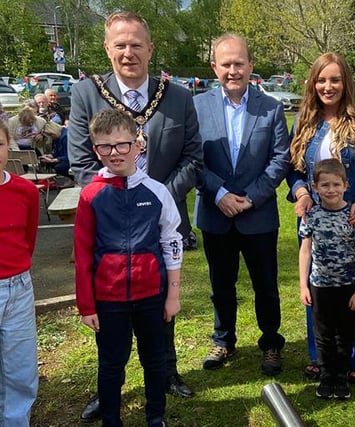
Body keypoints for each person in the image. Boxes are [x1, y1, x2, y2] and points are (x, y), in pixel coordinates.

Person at [68, 10, 201, 420]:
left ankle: (166, 374)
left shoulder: (177, 96)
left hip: (158, 219)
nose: (129, 53)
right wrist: (118, 196)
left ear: (150, 48)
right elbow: (79, 160)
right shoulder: (86, 94)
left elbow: (193, 158)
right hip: (107, 225)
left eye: (136, 44)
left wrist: (155, 197)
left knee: (160, 304)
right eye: (120, 44)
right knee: (111, 317)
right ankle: (110, 384)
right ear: (108, 49)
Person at [75, 108, 182, 427]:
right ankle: (111, 419)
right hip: (108, 301)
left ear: (138, 145)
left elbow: (171, 243)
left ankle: (155, 417)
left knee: (154, 360)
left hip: (151, 295)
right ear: (96, 150)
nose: (115, 153)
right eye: (105, 147)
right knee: (111, 363)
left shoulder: (158, 193)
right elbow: (82, 254)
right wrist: (86, 305)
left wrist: (172, 295)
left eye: (122, 144)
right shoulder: (90, 195)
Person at [193, 33, 289, 376]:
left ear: (250, 66)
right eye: (226, 64)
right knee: (221, 284)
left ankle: (271, 342)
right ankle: (223, 339)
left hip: (258, 214)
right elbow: (192, 158)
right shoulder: (198, 106)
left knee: (266, 284)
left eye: (239, 63)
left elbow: (280, 159)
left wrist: (250, 197)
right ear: (214, 67)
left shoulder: (271, 108)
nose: (233, 70)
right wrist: (219, 194)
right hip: (214, 212)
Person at [288, 52, 355, 383]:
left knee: (354, 286)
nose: (327, 86)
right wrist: (302, 193)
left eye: (334, 79)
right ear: (312, 83)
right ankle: (322, 354)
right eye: (321, 80)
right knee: (317, 288)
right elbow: (294, 171)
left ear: (345, 82)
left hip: (354, 215)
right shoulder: (304, 122)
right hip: (315, 217)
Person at [299, 158, 355, 400]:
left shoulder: (354, 216)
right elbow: (305, 251)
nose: (331, 190)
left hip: (347, 286)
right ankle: (327, 375)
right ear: (315, 187)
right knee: (324, 333)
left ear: (346, 185)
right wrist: (303, 285)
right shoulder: (312, 216)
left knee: (344, 333)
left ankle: (341, 376)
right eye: (325, 185)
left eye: (336, 184)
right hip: (320, 286)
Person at [0, 119, 40, 426]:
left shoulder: (25, 191)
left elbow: (28, 238)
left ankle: (16, 421)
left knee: (20, 365)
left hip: (18, 287)